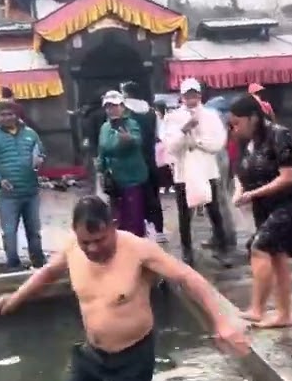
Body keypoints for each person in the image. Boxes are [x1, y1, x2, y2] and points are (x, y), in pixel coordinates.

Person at [0, 195, 249, 381]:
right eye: (85, 242)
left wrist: (221, 322)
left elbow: (189, 278)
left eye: (99, 240)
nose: (92, 249)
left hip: (133, 358)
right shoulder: (71, 249)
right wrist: (16, 297)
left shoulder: (138, 249)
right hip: (93, 354)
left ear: (112, 226)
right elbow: (47, 273)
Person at [228, 94, 292, 329]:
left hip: (290, 202)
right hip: (264, 204)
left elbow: (288, 177)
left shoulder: (279, 135)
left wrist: (252, 194)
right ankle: (284, 315)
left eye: (237, 122)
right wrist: (239, 191)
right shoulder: (245, 140)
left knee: (259, 247)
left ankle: (257, 309)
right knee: (276, 256)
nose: (233, 128)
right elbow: (239, 173)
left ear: (253, 118)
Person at [159, 78, 231, 265]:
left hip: (207, 170)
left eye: (194, 95)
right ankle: (187, 250)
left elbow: (218, 143)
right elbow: (171, 146)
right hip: (183, 173)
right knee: (184, 214)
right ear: (182, 97)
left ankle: (222, 247)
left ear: (199, 95)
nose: (191, 99)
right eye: (187, 95)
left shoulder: (210, 115)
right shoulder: (173, 118)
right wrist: (184, 131)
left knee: (214, 210)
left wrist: (197, 143)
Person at [0, 101, 46, 270]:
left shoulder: (31, 134)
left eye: (10, 114)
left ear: (17, 115)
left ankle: (38, 262)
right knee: (10, 232)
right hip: (7, 195)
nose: (7, 117)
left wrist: (40, 160)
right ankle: (13, 263)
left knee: (34, 231)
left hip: (31, 191)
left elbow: (41, 152)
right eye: (3, 114)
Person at [96, 91, 150, 238]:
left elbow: (138, 140)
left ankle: (138, 251)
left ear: (122, 106)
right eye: (108, 106)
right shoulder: (105, 128)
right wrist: (100, 170)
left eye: (114, 106)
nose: (111, 109)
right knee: (117, 219)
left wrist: (129, 139)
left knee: (134, 218)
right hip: (113, 181)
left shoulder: (131, 124)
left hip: (132, 179)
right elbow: (102, 149)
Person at [120, 81, 165, 243]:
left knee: (135, 195)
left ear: (125, 94)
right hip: (150, 157)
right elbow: (159, 134)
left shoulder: (124, 113)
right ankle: (159, 229)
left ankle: (139, 228)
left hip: (133, 160)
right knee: (153, 194)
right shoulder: (151, 112)